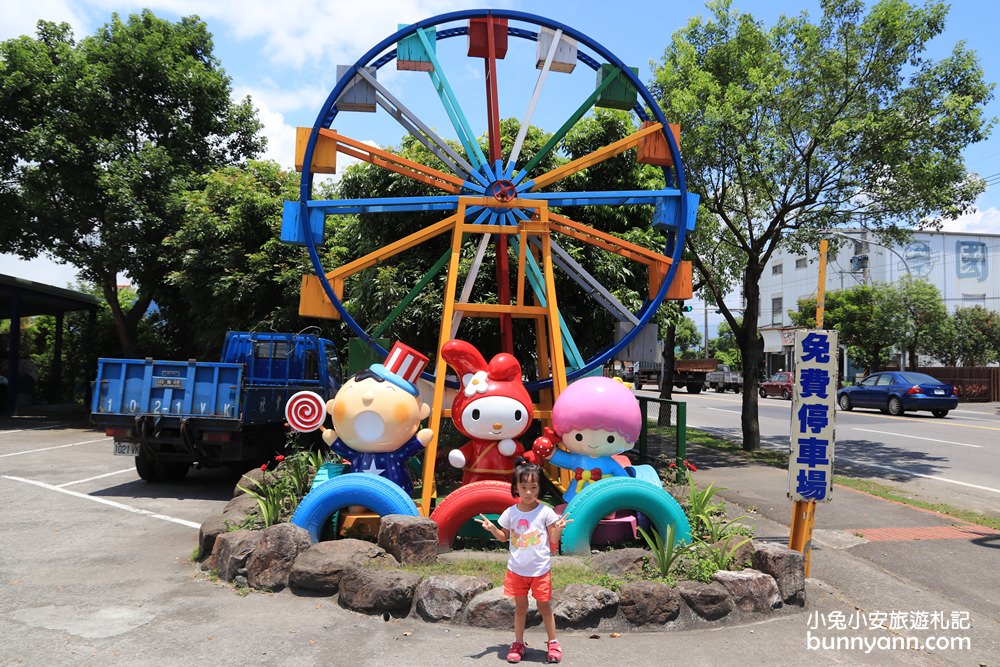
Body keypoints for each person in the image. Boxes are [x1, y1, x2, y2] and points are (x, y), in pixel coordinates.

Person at [477, 461, 572, 664]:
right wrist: (492, 529)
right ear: (516, 488)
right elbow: (504, 537)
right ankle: (518, 643)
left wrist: (560, 527)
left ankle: (553, 642)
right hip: (517, 570)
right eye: (524, 487)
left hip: (540, 571)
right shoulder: (511, 513)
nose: (528, 492)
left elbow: (554, 540)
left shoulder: (545, 512)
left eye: (534, 487)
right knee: (520, 608)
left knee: (545, 607)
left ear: (540, 488)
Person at [528, 376, 641, 502]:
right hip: (576, 496)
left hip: (603, 497)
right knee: (573, 513)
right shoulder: (578, 459)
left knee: (605, 510)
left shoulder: (609, 463)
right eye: (579, 437)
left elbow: (623, 478)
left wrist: (630, 488)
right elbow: (561, 459)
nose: (594, 443)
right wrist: (548, 451)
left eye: (610, 439)